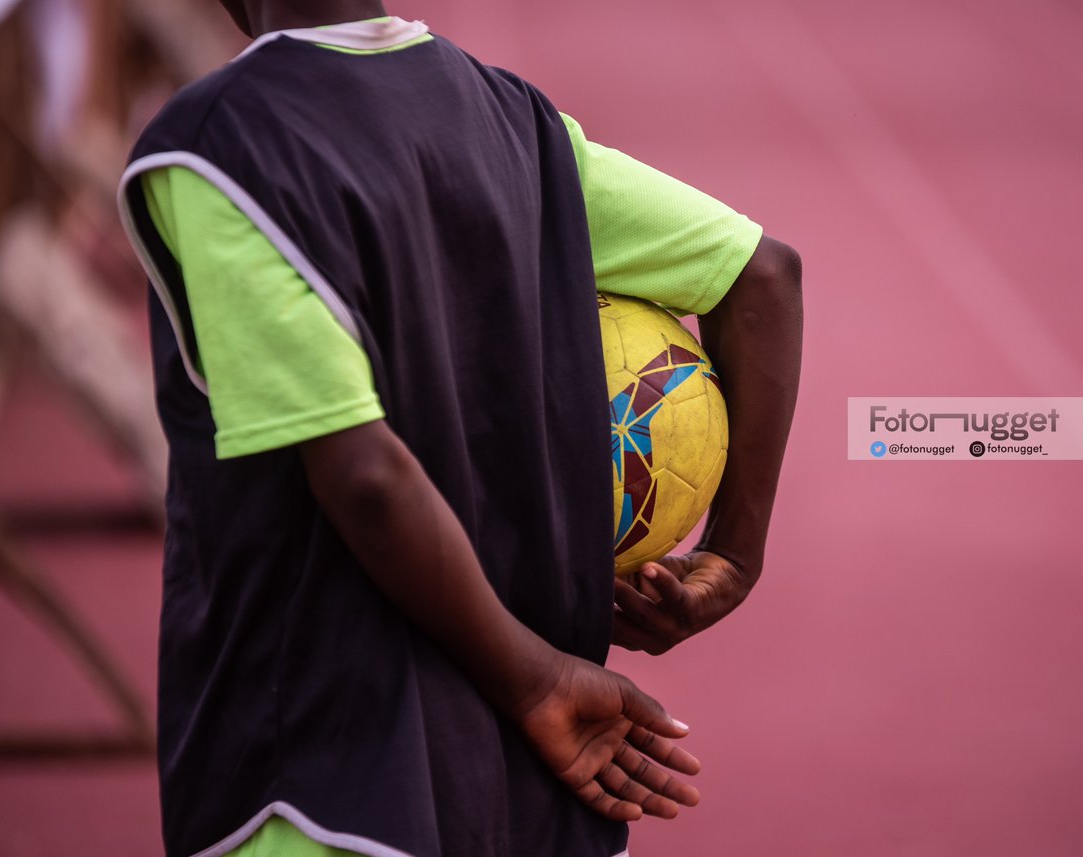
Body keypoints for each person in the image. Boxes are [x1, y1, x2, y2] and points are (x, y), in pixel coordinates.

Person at [117, 2, 802, 856]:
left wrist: (535, 680)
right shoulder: (519, 126)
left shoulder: (223, 145)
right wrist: (732, 555)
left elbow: (365, 473)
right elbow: (763, 275)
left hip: (318, 779)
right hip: (536, 799)